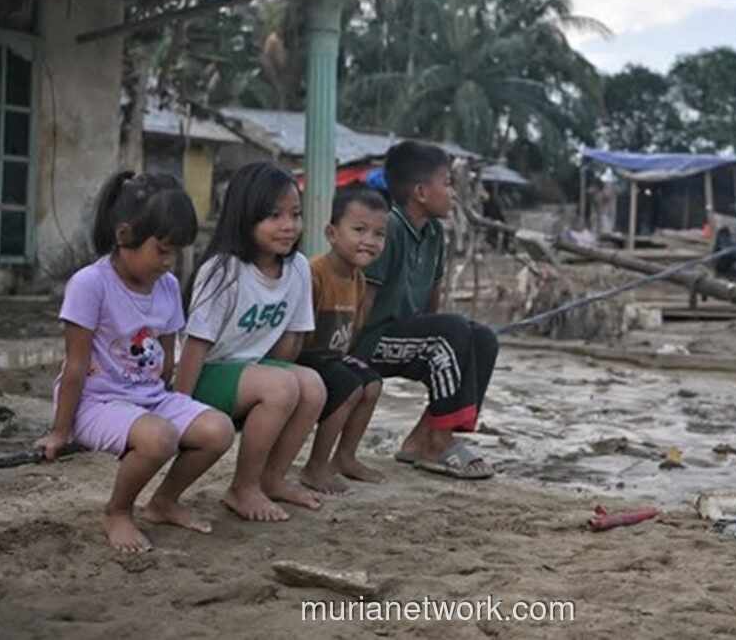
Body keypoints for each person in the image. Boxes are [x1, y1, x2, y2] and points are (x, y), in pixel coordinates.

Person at [36, 172, 235, 554]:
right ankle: (118, 511)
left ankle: (163, 502)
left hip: (149, 398)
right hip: (97, 403)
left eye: (176, 252)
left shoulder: (168, 286)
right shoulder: (90, 284)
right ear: (125, 235)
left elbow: (167, 353)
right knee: (159, 437)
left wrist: (178, 406)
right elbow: (75, 367)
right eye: (161, 250)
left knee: (218, 429)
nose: (169, 262)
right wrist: (60, 432)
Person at [177, 162, 325, 522]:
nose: (288, 226)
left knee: (312, 385)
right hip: (204, 373)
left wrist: (280, 376)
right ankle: (242, 488)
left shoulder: (298, 268)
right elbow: (195, 346)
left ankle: (272, 479)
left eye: (295, 214)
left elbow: (291, 340)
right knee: (281, 387)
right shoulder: (223, 270)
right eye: (274, 216)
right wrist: (176, 407)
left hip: (248, 372)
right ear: (245, 216)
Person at [354, 141, 498, 480]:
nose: (452, 193)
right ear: (421, 191)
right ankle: (438, 443)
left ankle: (423, 438)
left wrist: (445, 331)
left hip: (407, 334)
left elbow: (433, 296)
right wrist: (348, 354)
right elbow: (365, 297)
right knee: (452, 331)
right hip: (371, 338)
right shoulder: (388, 229)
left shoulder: (433, 232)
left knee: (482, 338)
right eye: (446, 183)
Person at [296, 187, 390, 493]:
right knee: (347, 385)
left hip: (332, 357)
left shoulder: (359, 279)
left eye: (378, 234)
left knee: (372, 383)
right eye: (359, 230)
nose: (369, 241)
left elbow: (354, 330)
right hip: (306, 356)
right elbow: (297, 333)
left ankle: (345, 457)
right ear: (332, 233)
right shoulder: (314, 274)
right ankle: (315, 467)